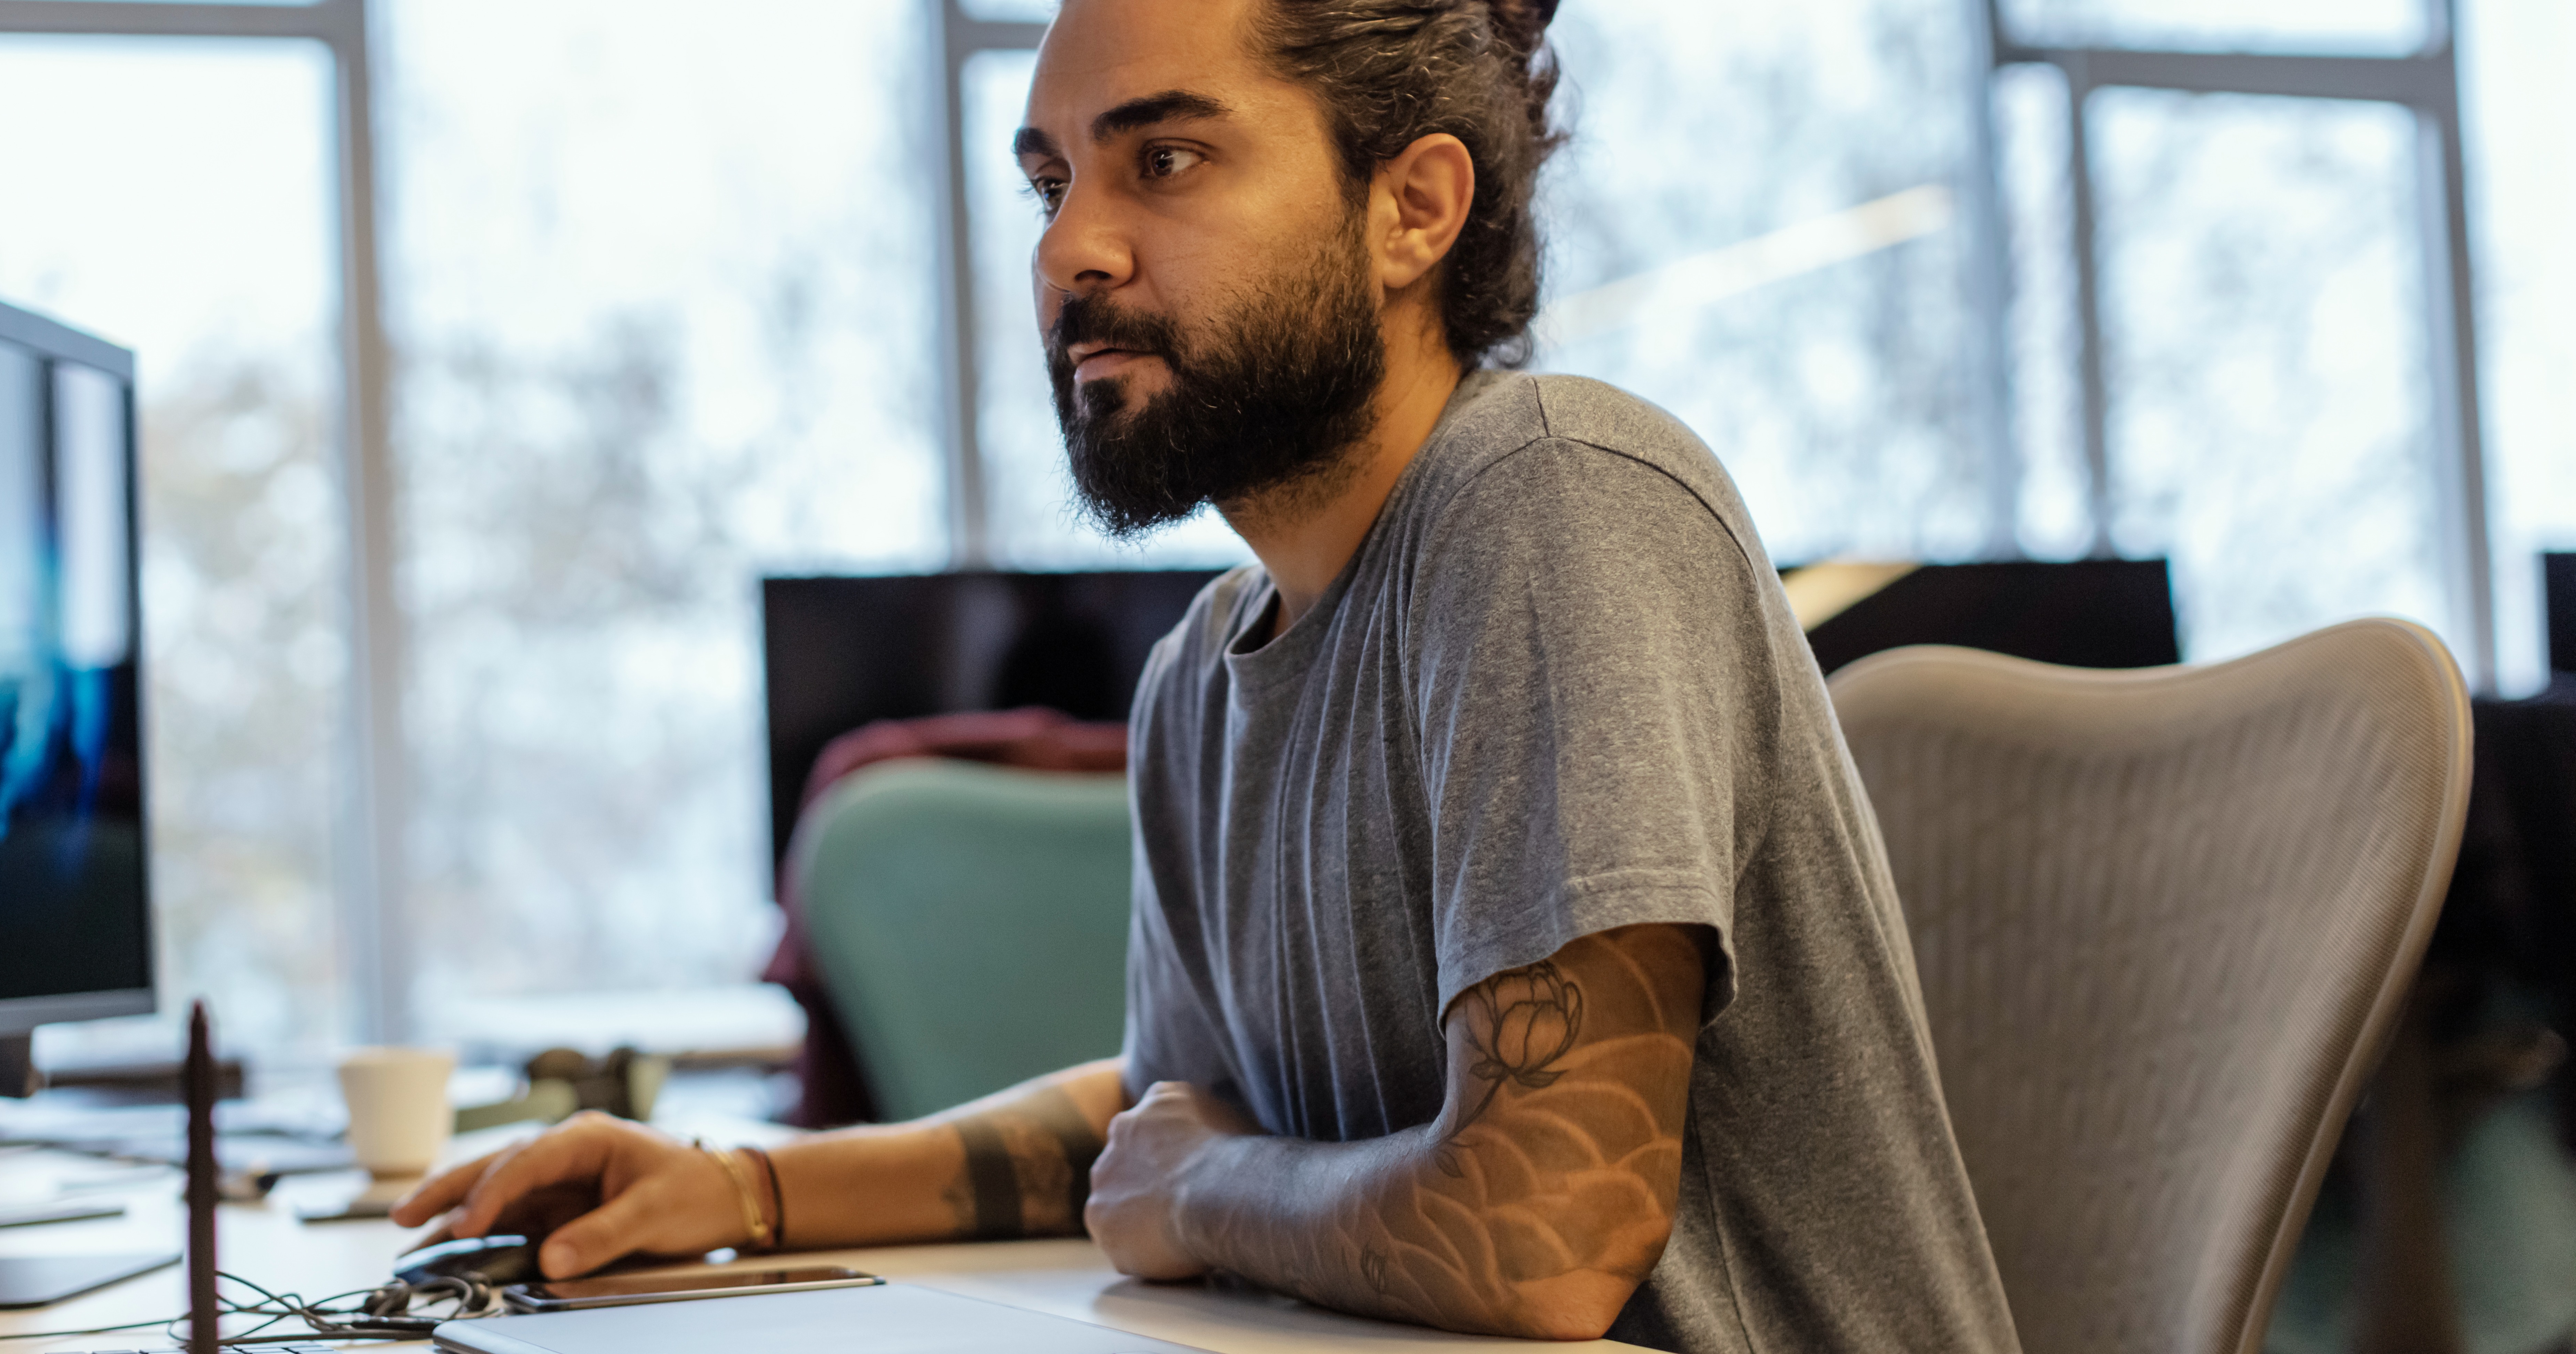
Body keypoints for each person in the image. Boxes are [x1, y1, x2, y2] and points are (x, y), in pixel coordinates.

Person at [392, 0, 2020, 1346]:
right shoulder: (1200, 676)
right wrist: (736, 1187)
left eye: (1162, 159)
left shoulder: (1554, 493)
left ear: (1413, 208)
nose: (1070, 253)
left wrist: (1202, 1194)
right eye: (1049, 182)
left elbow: (1540, 1228)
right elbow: (1172, 1122)